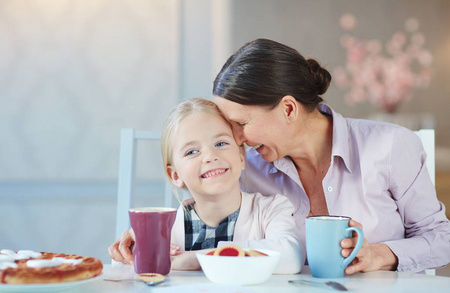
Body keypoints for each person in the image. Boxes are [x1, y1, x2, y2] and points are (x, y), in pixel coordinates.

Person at [213, 38, 450, 274]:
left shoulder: (390, 145)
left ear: (288, 109)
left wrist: (381, 255)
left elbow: (441, 239)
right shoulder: (246, 169)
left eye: (241, 123)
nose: (237, 138)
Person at [108, 98, 303, 274]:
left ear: (241, 157)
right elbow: (124, 274)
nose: (210, 156)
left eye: (220, 143)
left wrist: (199, 258)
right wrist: (137, 249)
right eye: (192, 151)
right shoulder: (164, 229)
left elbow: (291, 257)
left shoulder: (271, 209)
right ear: (175, 175)